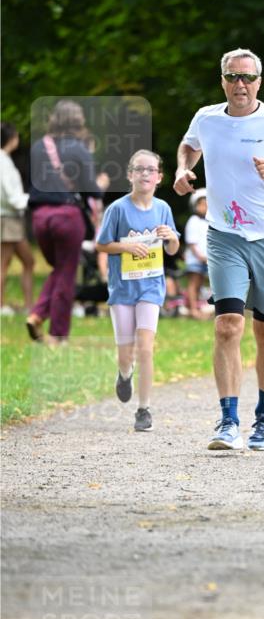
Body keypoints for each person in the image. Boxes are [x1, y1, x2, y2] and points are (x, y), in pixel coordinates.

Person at [174, 47, 264, 452]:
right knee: (227, 325)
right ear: (222, 81)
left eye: (248, 78)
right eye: (233, 77)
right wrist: (184, 168)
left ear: (259, 82)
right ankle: (228, 420)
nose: (241, 84)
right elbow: (189, 145)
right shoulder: (207, 118)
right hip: (224, 236)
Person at [96, 149, 180, 432]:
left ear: (159, 177)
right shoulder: (118, 209)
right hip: (122, 289)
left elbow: (173, 249)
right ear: (130, 175)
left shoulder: (163, 209)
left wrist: (171, 238)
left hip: (151, 288)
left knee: (145, 348)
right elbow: (102, 244)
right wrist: (126, 247)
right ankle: (124, 373)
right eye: (139, 169)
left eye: (150, 170)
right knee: (126, 353)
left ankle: (144, 409)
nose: (145, 174)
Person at [26, 100, 100, 343]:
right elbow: (91, 189)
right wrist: (101, 185)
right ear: (77, 121)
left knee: (60, 268)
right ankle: (58, 334)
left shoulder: (38, 146)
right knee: (67, 272)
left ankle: (37, 315)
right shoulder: (78, 148)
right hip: (67, 216)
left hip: (39, 216)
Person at [0, 122, 34, 315]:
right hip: (8, 218)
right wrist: (32, 200)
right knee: (3, 263)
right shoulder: (3, 162)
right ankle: (1, 306)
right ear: (11, 139)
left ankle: (29, 306)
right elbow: (11, 195)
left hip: (12, 218)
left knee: (29, 261)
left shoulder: (6, 160)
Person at [183, 188, 210, 318]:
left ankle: (196, 307)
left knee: (200, 284)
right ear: (196, 206)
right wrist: (200, 256)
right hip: (195, 258)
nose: (205, 207)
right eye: (202, 205)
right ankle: (193, 309)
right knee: (194, 283)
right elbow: (191, 242)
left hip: (205, 258)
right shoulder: (193, 220)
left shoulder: (208, 222)